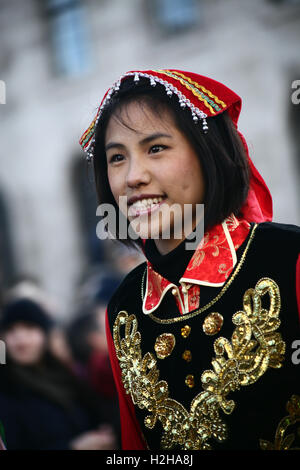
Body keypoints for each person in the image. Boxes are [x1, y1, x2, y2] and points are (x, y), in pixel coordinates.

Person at [79, 69, 300, 450]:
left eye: (156, 148)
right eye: (116, 158)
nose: (133, 177)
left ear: (207, 150)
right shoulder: (124, 310)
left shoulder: (289, 261)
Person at [0, 297, 117, 450]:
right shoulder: (5, 389)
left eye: (29, 328)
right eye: (11, 330)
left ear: (45, 334)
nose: (20, 339)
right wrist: (73, 447)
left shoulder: (64, 376)